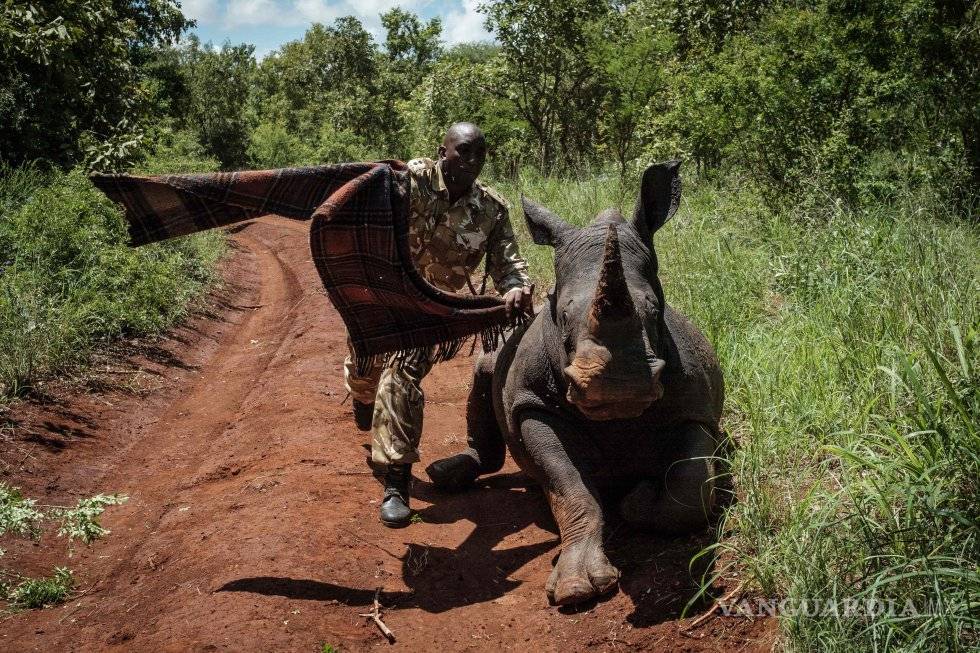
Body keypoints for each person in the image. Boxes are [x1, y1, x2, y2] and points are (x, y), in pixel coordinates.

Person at [343, 122, 533, 527]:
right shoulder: (403, 183)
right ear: (442, 150)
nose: (472, 161)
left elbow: (509, 265)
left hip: (431, 312)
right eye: (463, 151)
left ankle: (396, 481)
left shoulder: (491, 210)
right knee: (364, 369)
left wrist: (516, 287)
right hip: (381, 298)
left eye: (480, 154)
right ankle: (362, 397)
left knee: (401, 376)